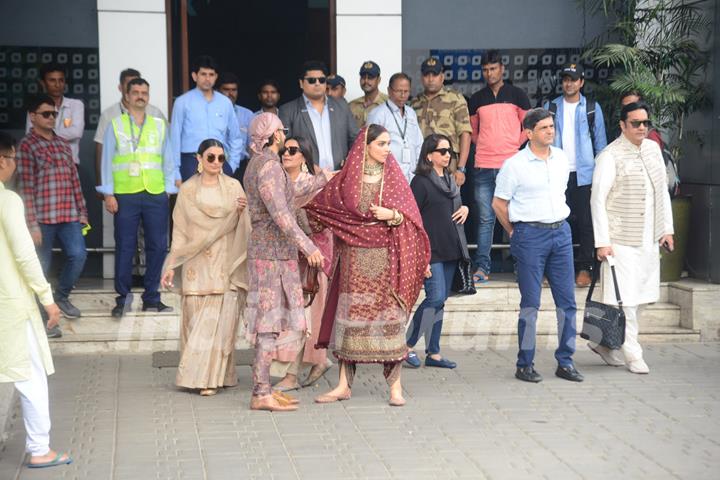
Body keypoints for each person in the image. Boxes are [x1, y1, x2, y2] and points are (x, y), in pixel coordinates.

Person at [306, 124, 431, 406]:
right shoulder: (347, 179)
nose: (388, 149)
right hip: (354, 263)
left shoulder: (395, 178)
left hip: (386, 261)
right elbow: (322, 207)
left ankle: (395, 388)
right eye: (382, 144)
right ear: (366, 146)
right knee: (351, 324)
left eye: (389, 144)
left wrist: (393, 215)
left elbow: (412, 221)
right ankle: (342, 385)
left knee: (389, 323)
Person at [492, 108, 583, 383]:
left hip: (561, 233)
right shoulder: (514, 165)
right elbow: (499, 203)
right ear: (529, 133)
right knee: (531, 302)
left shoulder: (561, 159)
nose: (550, 131)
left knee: (567, 302)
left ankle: (565, 361)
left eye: (552, 126)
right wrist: (514, 232)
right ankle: (525, 363)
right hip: (530, 235)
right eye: (544, 128)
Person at [244, 113, 327, 412]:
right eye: (282, 131)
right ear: (274, 135)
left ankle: (263, 388)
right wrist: (308, 247)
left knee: (272, 325)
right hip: (269, 256)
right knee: (267, 325)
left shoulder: (264, 165)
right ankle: (261, 392)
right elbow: (281, 213)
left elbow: (290, 196)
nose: (284, 135)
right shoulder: (267, 166)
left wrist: (324, 178)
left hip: (274, 254)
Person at [0, 131, 72, 469]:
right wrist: (47, 298)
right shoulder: (8, 201)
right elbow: (26, 255)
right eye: (13, 159)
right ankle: (40, 448)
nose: (14, 166)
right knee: (30, 375)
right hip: (10, 303)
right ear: (3, 160)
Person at [160, 139, 251, 396]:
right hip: (194, 263)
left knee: (221, 324)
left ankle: (215, 377)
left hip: (223, 260)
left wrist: (242, 213)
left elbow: (247, 225)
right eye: (210, 157)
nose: (216, 163)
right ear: (199, 159)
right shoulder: (187, 191)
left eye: (221, 158)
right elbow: (179, 232)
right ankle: (197, 375)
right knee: (195, 320)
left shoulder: (234, 187)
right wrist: (170, 265)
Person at [589, 102, 674, 374]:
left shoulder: (652, 149)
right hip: (620, 238)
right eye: (635, 123)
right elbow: (597, 200)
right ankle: (633, 353)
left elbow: (662, 190)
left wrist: (666, 229)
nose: (641, 128)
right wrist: (602, 241)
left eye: (645, 123)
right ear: (622, 125)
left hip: (649, 236)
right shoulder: (609, 155)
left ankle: (602, 343)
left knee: (642, 295)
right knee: (626, 299)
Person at [97, 78, 177, 317]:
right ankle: (122, 299)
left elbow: (168, 159)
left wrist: (168, 190)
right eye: (136, 92)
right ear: (127, 96)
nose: (141, 96)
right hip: (125, 194)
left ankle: (152, 296)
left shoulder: (159, 125)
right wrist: (108, 193)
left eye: (145, 93)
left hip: (154, 192)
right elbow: (107, 161)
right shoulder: (116, 124)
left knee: (158, 246)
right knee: (125, 246)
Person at [16, 95, 88, 336]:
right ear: (32, 116)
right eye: (46, 114)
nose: (51, 118)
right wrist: (32, 224)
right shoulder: (26, 146)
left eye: (54, 114)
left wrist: (82, 211)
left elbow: (74, 181)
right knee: (41, 268)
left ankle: (61, 297)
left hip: (68, 214)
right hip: (42, 219)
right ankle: (44, 321)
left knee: (78, 255)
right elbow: (25, 188)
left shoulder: (63, 145)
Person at [271, 136, 334, 391]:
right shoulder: (276, 182)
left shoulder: (314, 186)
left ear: (304, 157)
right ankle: (319, 361)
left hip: (309, 263)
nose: (286, 154)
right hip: (283, 260)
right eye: (284, 150)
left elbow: (322, 224)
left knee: (301, 321)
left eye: (293, 150)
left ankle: (291, 376)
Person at [405, 134, 470, 369]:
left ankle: (433, 353)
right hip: (430, 251)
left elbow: (456, 206)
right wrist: (420, 258)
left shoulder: (451, 181)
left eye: (450, 152)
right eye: (442, 151)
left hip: (451, 248)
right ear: (429, 155)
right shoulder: (420, 182)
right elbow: (411, 221)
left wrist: (465, 208)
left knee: (441, 302)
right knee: (435, 298)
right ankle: (407, 345)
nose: (447, 155)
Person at [468, 50, 531, 284]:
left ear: (502, 69)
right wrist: (487, 145)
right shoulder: (476, 99)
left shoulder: (518, 95)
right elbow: (473, 133)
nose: (489, 73)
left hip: (511, 167)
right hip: (484, 166)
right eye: (485, 69)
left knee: (515, 217)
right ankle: (482, 267)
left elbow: (529, 126)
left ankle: (520, 265)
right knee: (486, 219)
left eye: (493, 68)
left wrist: (514, 143)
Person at [544, 63, 608, 286]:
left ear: (581, 82)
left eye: (573, 79)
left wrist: (600, 176)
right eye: (565, 79)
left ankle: (585, 268)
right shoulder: (550, 107)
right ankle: (555, 268)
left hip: (584, 174)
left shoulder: (591, 107)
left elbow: (600, 145)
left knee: (585, 222)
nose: (568, 83)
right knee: (554, 220)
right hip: (557, 173)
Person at [170, 55, 241, 181]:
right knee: (193, 201)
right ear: (194, 76)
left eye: (211, 74)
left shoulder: (225, 103)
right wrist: (175, 172)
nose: (207, 78)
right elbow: (174, 139)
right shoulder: (182, 102)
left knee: (220, 201)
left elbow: (235, 137)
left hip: (219, 161)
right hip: (190, 162)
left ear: (216, 77)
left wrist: (233, 165)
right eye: (203, 74)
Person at [94, 68, 167, 189]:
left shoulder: (155, 113)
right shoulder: (109, 115)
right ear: (121, 88)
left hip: (151, 184)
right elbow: (100, 150)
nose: (135, 89)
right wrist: (100, 183)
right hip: (121, 186)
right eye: (129, 85)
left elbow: (167, 149)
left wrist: (168, 183)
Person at [279, 60, 358, 171]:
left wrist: (350, 162)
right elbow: (284, 147)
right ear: (301, 83)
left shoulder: (341, 106)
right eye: (311, 80)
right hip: (306, 178)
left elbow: (355, 139)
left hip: (339, 175)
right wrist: (312, 168)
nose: (317, 83)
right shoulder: (287, 110)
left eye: (321, 80)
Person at [411, 57, 472, 186]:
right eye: (427, 75)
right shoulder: (415, 103)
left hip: (448, 163)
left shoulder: (455, 99)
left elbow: (465, 134)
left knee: (448, 203)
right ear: (422, 78)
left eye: (435, 74)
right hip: (422, 163)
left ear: (442, 77)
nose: (431, 79)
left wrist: (461, 168)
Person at [367, 72, 424, 182]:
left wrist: (418, 170)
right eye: (398, 91)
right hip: (389, 178)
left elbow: (419, 143)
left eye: (406, 91)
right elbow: (369, 148)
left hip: (412, 176)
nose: (403, 95)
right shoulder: (378, 114)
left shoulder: (411, 113)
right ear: (389, 90)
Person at [25, 63, 84, 166]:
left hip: (70, 164)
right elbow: (30, 135)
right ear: (43, 83)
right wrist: (64, 134)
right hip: (42, 164)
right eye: (52, 80)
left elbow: (76, 132)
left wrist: (44, 134)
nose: (57, 85)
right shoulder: (35, 107)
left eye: (61, 80)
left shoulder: (76, 105)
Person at [217, 72, 254, 167]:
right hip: (215, 164)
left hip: (240, 166)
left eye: (234, 90)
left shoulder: (247, 114)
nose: (230, 94)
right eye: (226, 90)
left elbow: (252, 146)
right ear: (217, 91)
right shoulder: (210, 114)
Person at [348, 61, 387, 129]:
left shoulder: (387, 103)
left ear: (379, 80)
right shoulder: (352, 105)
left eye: (370, 78)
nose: (366, 81)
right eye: (363, 77)